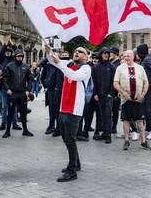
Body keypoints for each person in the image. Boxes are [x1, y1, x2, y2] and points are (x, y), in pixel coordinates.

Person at [45, 44, 91, 182]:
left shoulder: (86, 68)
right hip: (63, 107)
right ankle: (76, 164)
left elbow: (74, 76)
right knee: (66, 138)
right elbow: (53, 61)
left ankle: (72, 171)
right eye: (76, 51)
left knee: (70, 139)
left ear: (86, 56)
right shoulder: (68, 63)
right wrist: (49, 51)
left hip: (74, 109)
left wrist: (60, 64)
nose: (77, 52)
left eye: (80, 51)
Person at [113, 50, 151, 151]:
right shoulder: (120, 68)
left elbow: (146, 82)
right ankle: (126, 141)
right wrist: (124, 93)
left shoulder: (140, 68)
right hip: (126, 99)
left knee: (140, 120)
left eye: (128, 56)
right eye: (124, 56)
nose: (126, 58)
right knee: (126, 120)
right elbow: (115, 83)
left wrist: (142, 95)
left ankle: (143, 141)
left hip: (138, 99)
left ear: (133, 56)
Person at [2, 50, 34, 138]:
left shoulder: (26, 66)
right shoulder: (9, 66)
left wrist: (28, 90)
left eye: (21, 56)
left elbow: (30, 79)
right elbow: (4, 79)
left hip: (22, 93)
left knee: (23, 113)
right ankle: (7, 131)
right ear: (15, 57)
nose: (20, 58)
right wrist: (7, 89)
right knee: (11, 112)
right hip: (12, 93)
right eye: (18, 56)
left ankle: (25, 130)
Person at [92, 47, 116, 144]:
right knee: (101, 115)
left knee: (108, 115)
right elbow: (94, 82)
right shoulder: (96, 67)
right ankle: (103, 133)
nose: (106, 55)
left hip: (108, 96)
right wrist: (95, 94)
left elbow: (114, 82)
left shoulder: (112, 67)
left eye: (108, 53)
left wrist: (111, 94)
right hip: (99, 95)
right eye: (104, 53)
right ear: (101, 54)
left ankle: (108, 135)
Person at [136, 44, 151, 140]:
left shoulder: (147, 59)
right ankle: (149, 128)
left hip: (148, 87)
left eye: (138, 51)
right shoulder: (145, 59)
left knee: (147, 109)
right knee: (144, 109)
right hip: (145, 86)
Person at [42, 50, 67, 137]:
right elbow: (43, 75)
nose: (54, 56)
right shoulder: (48, 64)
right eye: (53, 54)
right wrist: (45, 84)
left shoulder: (61, 64)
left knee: (57, 110)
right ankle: (51, 125)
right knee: (51, 109)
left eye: (56, 54)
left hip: (58, 90)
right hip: (50, 90)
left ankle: (58, 128)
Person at [0, 43, 21, 131]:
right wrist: (4, 45)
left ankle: (14, 123)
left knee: (14, 106)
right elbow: (0, 53)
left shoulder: (14, 61)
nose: (8, 53)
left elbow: (18, 52)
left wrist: (13, 45)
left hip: (13, 87)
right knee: (4, 106)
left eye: (9, 52)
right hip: (4, 86)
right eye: (6, 52)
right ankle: (3, 123)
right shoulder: (2, 60)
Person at [110, 46, 121, 134]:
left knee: (115, 110)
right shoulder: (110, 62)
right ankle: (110, 126)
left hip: (116, 91)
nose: (109, 54)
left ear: (115, 54)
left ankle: (114, 127)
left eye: (111, 53)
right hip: (110, 89)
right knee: (109, 110)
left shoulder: (119, 64)